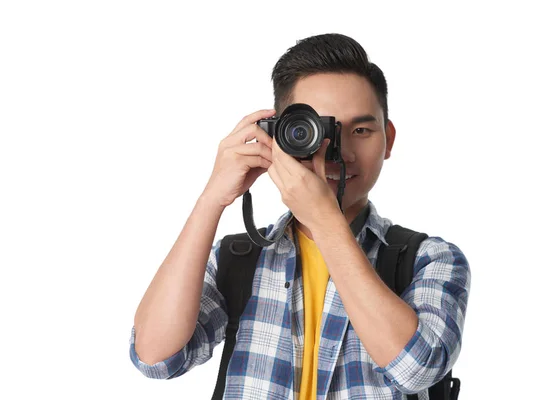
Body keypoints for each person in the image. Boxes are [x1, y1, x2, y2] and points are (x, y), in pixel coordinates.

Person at [129, 33, 471, 399]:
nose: (341, 153)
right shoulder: (238, 258)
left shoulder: (429, 258)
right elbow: (155, 358)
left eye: (360, 130)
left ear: (387, 138)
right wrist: (212, 199)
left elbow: (418, 368)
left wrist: (324, 219)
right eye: (319, 131)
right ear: (280, 136)